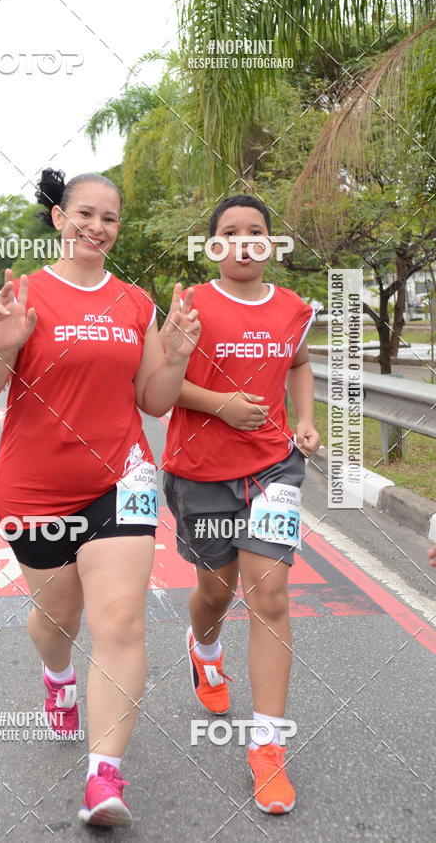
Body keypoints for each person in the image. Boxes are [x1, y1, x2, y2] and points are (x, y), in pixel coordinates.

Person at [0, 168, 200, 828]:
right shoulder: (24, 295)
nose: (97, 226)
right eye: (85, 213)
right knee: (58, 619)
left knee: (119, 621)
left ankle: (104, 776)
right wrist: (2, 347)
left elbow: (153, 400)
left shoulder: (133, 302)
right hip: (34, 487)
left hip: (122, 480)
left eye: (109, 218)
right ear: (59, 218)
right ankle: (57, 676)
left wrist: (177, 354)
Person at [160, 194, 320, 815]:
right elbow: (159, 388)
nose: (244, 242)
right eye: (230, 232)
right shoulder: (191, 305)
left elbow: (299, 363)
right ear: (213, 246)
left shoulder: (292, 308)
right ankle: (204, 651)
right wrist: (220, 405)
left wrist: (304, 420)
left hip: (274, 468)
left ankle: (268, 746)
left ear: (271, 243)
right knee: (215, 592)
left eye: (256, 231)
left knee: (270, 596)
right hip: (201, 473)